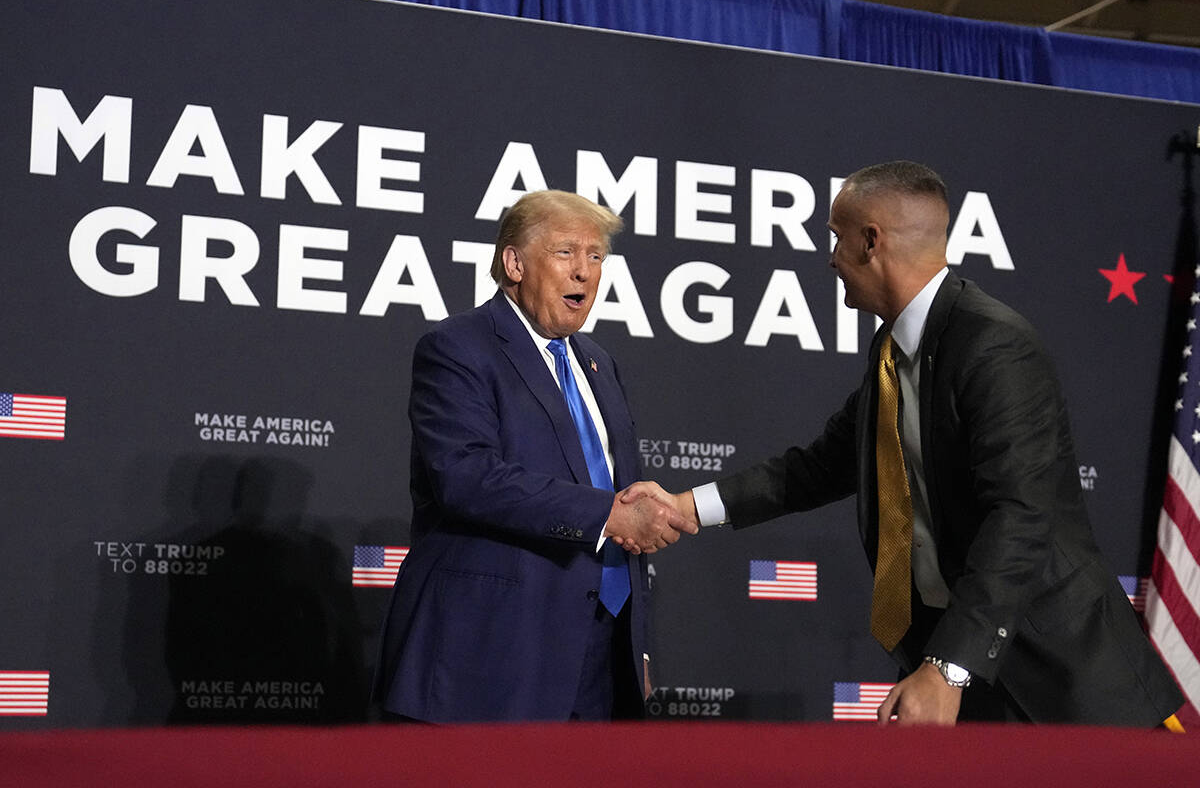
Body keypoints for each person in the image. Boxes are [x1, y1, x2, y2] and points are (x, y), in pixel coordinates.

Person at [619, 161, 1185, 726]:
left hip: (1054, 676)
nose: (830, 258)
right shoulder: (892, 353)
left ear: (871, 242)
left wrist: (947, 670)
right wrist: (685, 508)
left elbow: (1019, 516)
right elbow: (817, 469)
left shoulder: (994, 345)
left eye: (836, 238)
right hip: (957, 663)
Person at [373, 189, 696, 723]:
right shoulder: (458, 347)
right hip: (495, 650)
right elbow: (466, 476)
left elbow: (611, 483)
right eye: (566, 252)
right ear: (514, 263)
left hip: (601, 650)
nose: (584, 273)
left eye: (596, 257)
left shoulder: (598, 362)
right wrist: (610, 515)